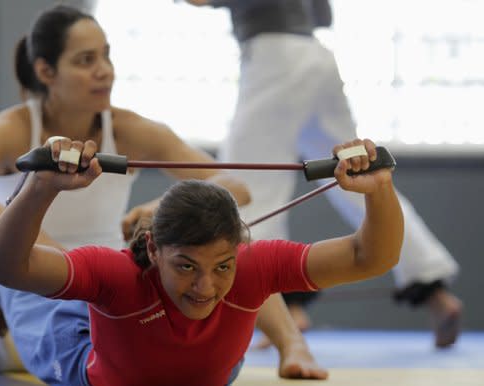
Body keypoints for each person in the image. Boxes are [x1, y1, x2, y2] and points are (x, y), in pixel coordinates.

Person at [0, 4, 326, 383]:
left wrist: (159, 209)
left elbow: (233, 186)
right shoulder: (15, 128)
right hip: (13, 301)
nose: (104, 71)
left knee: (225, 243)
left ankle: (293, 345)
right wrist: (17, 233)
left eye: (106, 56)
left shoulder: (131, 129)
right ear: (46, 72)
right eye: (85, 60)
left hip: (105, 299)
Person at [0, 137, 403, 386]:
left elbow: (371, 257)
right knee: (21, 289)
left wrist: (379, 189)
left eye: (222, 266)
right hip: (83, 348)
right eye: (186, 266)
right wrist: (41, 186)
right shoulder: (118, 273)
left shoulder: (251, 262)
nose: (204, 286)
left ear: (237, 249)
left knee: (248, 283)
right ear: (154, 247)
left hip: (194, 357)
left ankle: (290, 342)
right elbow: (6, 265)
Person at [185, 0, 462, 347]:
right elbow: (322, 14)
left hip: (275, 54)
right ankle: (434, 291)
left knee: (246, 186)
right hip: (315, 54)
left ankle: (284, 314)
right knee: (356, 180)